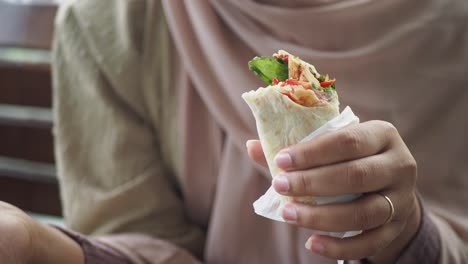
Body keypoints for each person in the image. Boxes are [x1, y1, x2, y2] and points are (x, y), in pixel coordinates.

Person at [0, 0, 467, 263]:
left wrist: (410, 237)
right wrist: (31, 245)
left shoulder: (451, 27)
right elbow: (137, 238)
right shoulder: (112, 22)